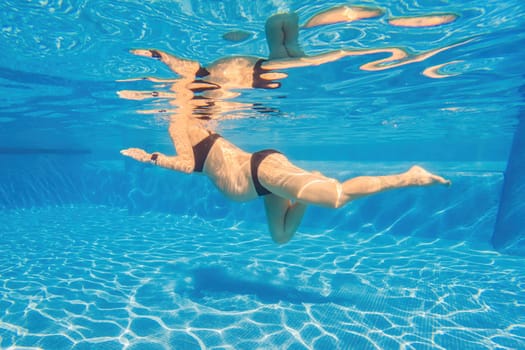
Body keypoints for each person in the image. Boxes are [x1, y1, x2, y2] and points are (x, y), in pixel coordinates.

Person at [121, 115, 450, 244]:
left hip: (258, 171)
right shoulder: (200, 119)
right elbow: (203, 160)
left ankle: (410, 177)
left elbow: (187, 163)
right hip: (259, 181)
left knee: (335, 197)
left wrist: (150, 158)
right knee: (281, 236)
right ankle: (310, 185)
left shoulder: (179, 122)